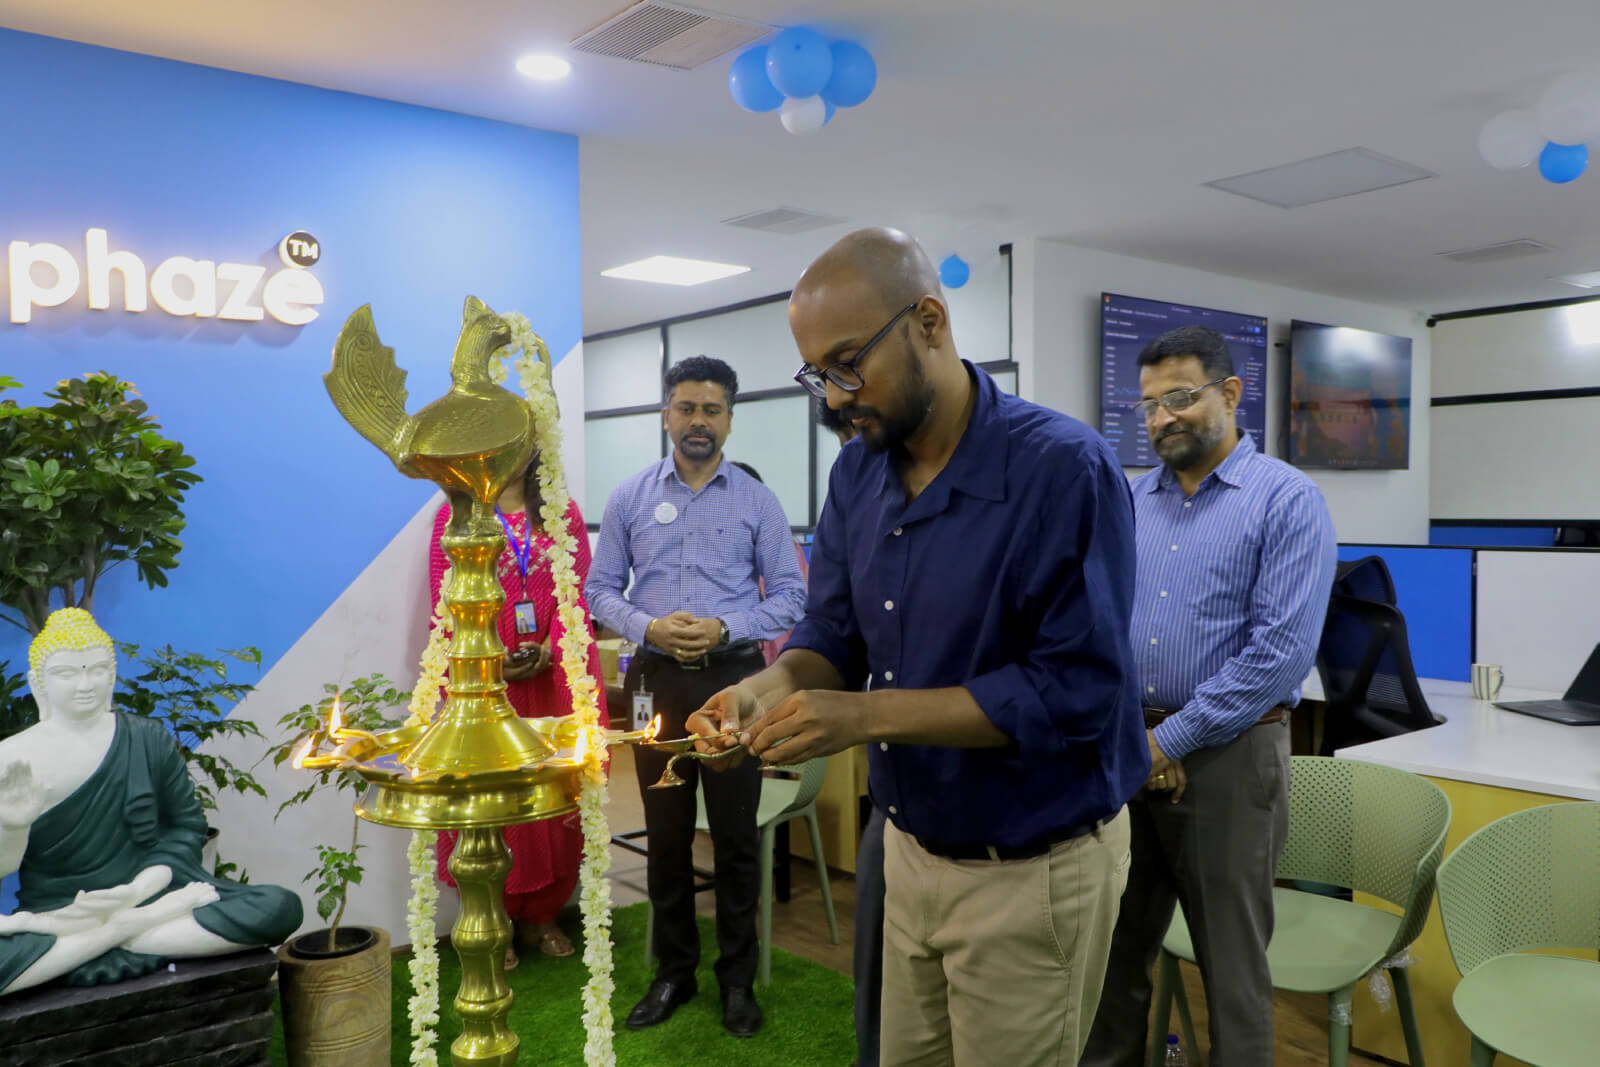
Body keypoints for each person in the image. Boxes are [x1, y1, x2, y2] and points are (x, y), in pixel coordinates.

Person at [688, 228, 1149, 1065]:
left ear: (929, 322)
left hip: (1030, 869)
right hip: (907, 850)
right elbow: (832, 632)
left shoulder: (1062, 471)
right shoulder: (858, 472)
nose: (832, 397)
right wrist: (767, 686)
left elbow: (1071, 692)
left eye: (847, 363)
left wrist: (861, 715)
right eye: (816, 373)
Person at [1081, 325, 1336, 1067]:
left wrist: (1170, 740)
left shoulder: (1287, 500)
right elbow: (1101, 624)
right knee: (1114, 958)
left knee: (1231, 972)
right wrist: (1138, 737)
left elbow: (1279, 655)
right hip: (1132, 748)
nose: (1162, 417)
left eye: (1181, 397)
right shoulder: (1131, 501)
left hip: (1231, 755)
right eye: (1150, 404)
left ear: (1230, 394)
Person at [585, 355, 806, 1038]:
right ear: (666, 414)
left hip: (734, 683)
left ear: (730, 420)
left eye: (712, 410)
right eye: (686, 408)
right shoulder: (628, 497)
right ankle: (673, 972)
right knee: (667, 832)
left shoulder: (757, 501)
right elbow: (597, 591)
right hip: (654, 680)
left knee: (738, 836)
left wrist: (724, 625)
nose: (698, 421)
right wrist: (648, 624)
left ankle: (737, 980)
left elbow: (793, 596)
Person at [0, 608, 302, 996]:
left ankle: (98, 939)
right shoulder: (12, 759)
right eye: (67, 673)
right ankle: (119, 932)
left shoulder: (146, 739)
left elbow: (185, 827)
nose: (85, 685)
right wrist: (12, 826)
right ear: (37, 681)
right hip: (62, 909)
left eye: (97, 669)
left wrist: (138, 891)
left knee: (279, 907)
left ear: (113, 673)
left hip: (149, 894)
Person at [426, 451, 607, 970]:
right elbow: (444, 602)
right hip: (484, 685)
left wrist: (553, 645)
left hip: (553, 683)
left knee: (551, 791)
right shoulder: (455, 515)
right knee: (491, 800)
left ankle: (543, 915)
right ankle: (494, 917)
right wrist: (488, 660)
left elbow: (578, 592)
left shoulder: (560, 512)